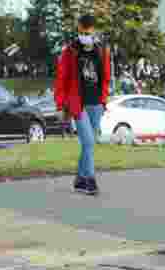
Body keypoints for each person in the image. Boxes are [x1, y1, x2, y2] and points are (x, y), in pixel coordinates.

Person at [55, 14, 112, 196]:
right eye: (81, 32)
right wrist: (60, 105)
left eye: (87, 32)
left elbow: (105, 78)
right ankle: (90, 180)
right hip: (78, 104)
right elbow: (61, 80)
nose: (84, 35)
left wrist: (103, 101)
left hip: (96, 104)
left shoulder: (102, 51)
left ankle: (79, 180)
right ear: (77, 30)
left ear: (93, 30)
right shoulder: (69, 52)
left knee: (89, 144)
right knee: (87, 141)